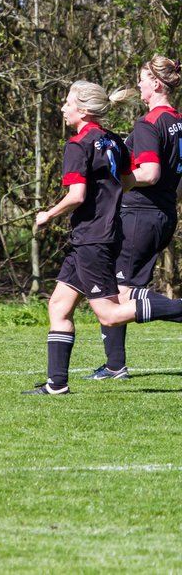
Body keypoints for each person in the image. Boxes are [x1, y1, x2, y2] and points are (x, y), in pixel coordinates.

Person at [28, 80, 182, 395]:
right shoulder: (113, 140)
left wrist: (48, 214)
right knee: (59, 305)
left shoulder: (77, 144)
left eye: (67, 103)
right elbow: (126, 181)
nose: (62, 108)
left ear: (83, 110)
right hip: (104, 234)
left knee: (110, 315)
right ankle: (56, 385)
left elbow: (76, 195)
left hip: (92, 240)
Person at [87, 57, 182, 380]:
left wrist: (119, 180)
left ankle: (116, 365)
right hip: (162, 214)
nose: (138, 84)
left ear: (156, 84)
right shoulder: (177, 122)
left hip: (140, 216)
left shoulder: (149, 123)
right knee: (117, 288)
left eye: (142, 79)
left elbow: (150, 173)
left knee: (117, 293)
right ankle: (115, 365)